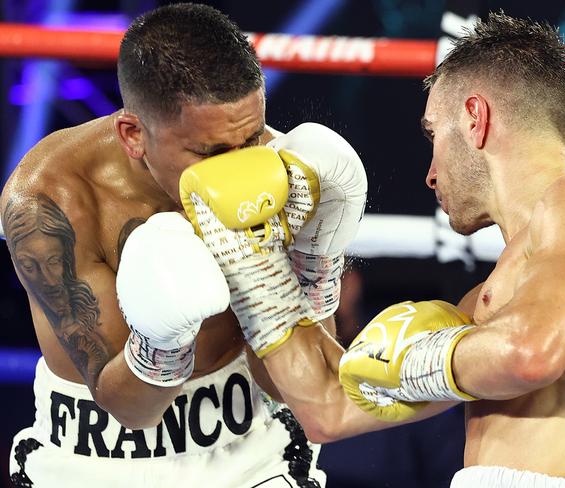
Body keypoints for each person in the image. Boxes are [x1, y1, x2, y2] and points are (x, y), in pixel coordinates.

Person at [2, 4, 454, 487]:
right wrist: (161, 344)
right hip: (94, 455)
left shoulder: (281, 170)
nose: (238, 169)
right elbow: (130, 408)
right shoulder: (54, 200)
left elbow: (281, 383)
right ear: (134, 135)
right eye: (210, 153)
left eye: (252, 137)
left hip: (249, 450)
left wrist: (315, 262)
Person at [339, 12, 565, 488]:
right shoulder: (485, 308)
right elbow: (326, 411)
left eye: (433, 134)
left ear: (474, 118)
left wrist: (407, 362)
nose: (431, 173)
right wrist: (276, 271)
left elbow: (529, 355)